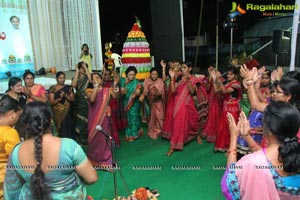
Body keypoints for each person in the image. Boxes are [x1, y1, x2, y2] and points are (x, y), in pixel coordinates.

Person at [4, 102, 98, 199]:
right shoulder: (69, 146)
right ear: (50, 120)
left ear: (24, 124)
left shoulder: (16, 152)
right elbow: (91, 178)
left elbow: (12, 188)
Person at [222, 102, 300, 199]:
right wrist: (247, 136)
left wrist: (234, 136)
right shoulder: (293, 152)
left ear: (268, 130)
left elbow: (230, 179)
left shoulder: (252, 163)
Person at [164, 61, 200, 156]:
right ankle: (173, 146)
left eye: (184, 67)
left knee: (193, 121)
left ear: (190, 68)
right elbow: (173, 90)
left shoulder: (194, 79)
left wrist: (188, 80)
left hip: (188, 103)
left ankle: (196, 135)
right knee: (178, 124)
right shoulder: (179, 78)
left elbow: (192, 92)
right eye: (182, 68)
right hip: (179, 103)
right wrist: (172, 78)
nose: (183, 69)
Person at [86, 72, 119, 166]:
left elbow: (116, 97)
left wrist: (115, 85)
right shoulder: (89, 90)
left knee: (104, 139)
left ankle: (106, 161)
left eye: (98, 78)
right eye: (93, 79)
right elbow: (92, 99)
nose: (96, 80)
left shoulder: (108, 90)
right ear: (91, 81)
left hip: (104, 119)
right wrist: (95, 88)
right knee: (93, 140)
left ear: (101, 80)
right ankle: (94, 160)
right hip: (93, 120)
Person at [211, 67, 242, 152]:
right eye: (228, 74)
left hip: (233, 108)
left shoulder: (237, 84)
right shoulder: (226, 83)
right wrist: (214, 78)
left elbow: (224, 91)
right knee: (223, 126)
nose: (228, 76)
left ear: (235, 75)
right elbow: (216, 90)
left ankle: (231, 147)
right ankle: (222, 146)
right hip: (225, 107)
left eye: (231, 74)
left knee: (231, 127)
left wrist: (219, 81)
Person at [0, 95, 22, 199]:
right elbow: (16, 161)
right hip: (4, 182)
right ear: (12, 113)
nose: (18, 119)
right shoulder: (10, 133)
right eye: (19, 115)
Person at [139, 67, 167, 140]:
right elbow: (145, 91)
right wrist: (143, 95)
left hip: (159, 101)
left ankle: (161, 130)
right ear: (150, 74)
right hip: (151, 101)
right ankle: (154, 130)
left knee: (160, 116)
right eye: (153, 74)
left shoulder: (160, 81)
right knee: (153, 116)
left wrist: (155, 92)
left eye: (156, 74)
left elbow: (161, 92)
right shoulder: (147, 80)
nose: (154, 76)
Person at [103, 68, 126, 148]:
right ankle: (106, 142)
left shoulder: (113, 83)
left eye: (108, 74)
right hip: (102, 106)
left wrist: (115, 84)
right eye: (104, 74)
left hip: (112, 106)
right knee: (104, 125)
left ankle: (116, 141)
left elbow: (116, 96)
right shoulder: (99, 83)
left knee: (112, 124)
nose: (106, 76)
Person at [49, 71, 75, 139]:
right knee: (60, 128)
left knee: (69, 127)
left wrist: (65, 95)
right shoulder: (52, 88)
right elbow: (51, 102)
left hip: (68, 111)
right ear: (56, 79)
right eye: (60, 78)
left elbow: (72, 99)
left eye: (63, 78)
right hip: (58, 113)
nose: (62, 79)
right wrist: (59, 99)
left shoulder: (69, 87)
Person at [120, 66, 143, 142]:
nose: (132, 76)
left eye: (133, 74)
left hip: (134, 103)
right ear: (126, 74)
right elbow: (120, 90)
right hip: (125, 102)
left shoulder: (137, 82)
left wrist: (136, 93)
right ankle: (128, 133)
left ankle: (134, 134)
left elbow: (138, 91)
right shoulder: (123, 81)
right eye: (130, 74)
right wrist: (122, 91)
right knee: (127, 118)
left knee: (134, 117)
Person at [71, 62, 91, 146]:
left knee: (87, 122)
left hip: (87, 102)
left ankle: (87, 139)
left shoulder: (88, 77)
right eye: (82, 68)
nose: (83, 69)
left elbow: (91, 80)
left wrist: (86, 69)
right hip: (78, 102)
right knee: (79, 122)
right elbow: (73, 85)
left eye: (85, 67)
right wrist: (77, 72)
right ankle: (81, 140)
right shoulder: (75, 78)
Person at [201, 67, 222, 143]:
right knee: (211, 115)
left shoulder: (220, 79)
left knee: (216, 115)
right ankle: (210, 132)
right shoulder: (209, 78)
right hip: (211, 99)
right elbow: (207, 88)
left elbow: (217, 90)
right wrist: (210, 76)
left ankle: (215, 133)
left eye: (214, 70)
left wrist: (214, 78)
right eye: (210, 70)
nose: (214, 72)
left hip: (218, 100)